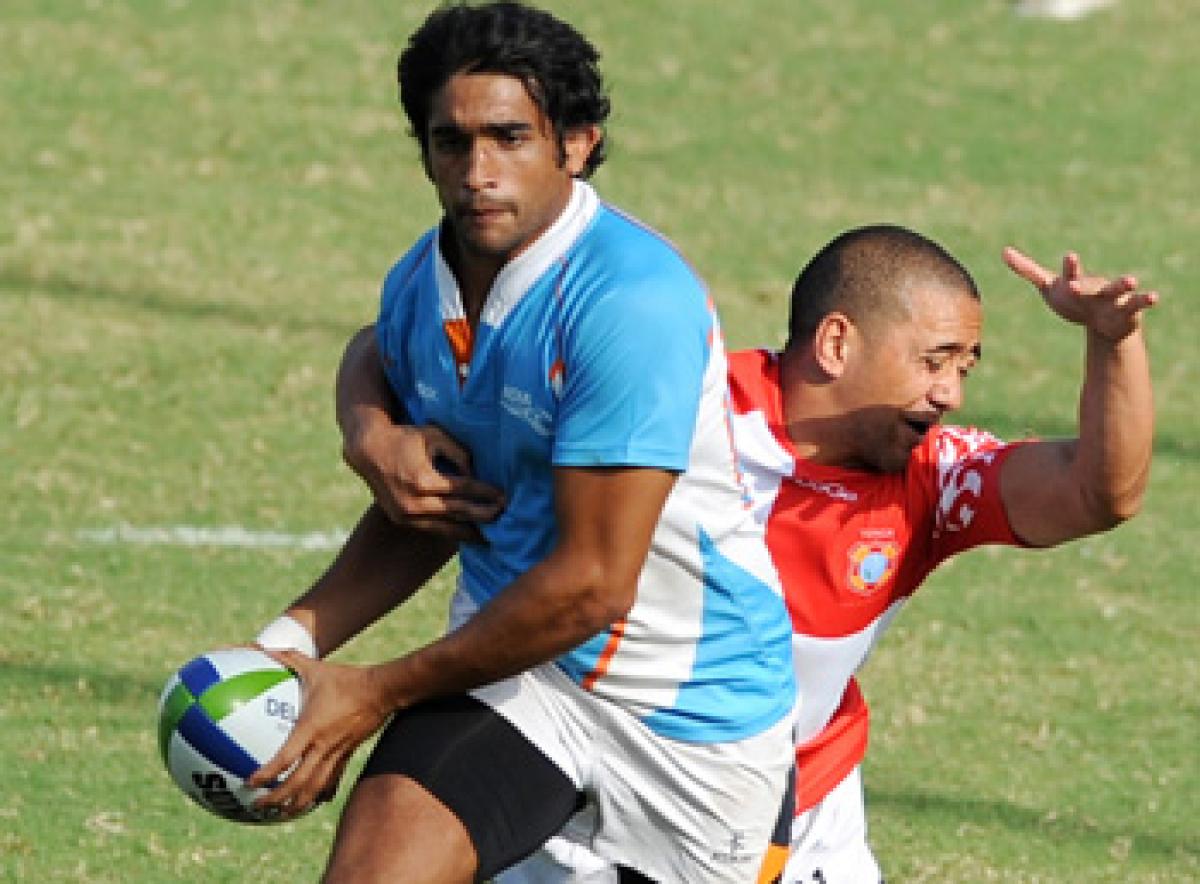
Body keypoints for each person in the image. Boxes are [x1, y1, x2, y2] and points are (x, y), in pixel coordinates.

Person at [336, 224, 1156, 883]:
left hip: (788, 820)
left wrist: (1113, 342)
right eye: (934, 361)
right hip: (574, 774)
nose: (951, 393)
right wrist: (369, 427)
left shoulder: (932, 476)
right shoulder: (681, 403)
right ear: (836, 343)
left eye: (964, 368)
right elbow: (392, 344)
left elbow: (1098, 493)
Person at [245, 3, 798, 883]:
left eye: (509, 138)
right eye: (451, 142)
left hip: (694, 717)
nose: (477, 173)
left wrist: (374, 693)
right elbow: (431, 491)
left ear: (576, 144)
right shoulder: (423, 284)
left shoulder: (630, 302)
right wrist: (284, 646)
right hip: (515, 671)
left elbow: (592, 585)